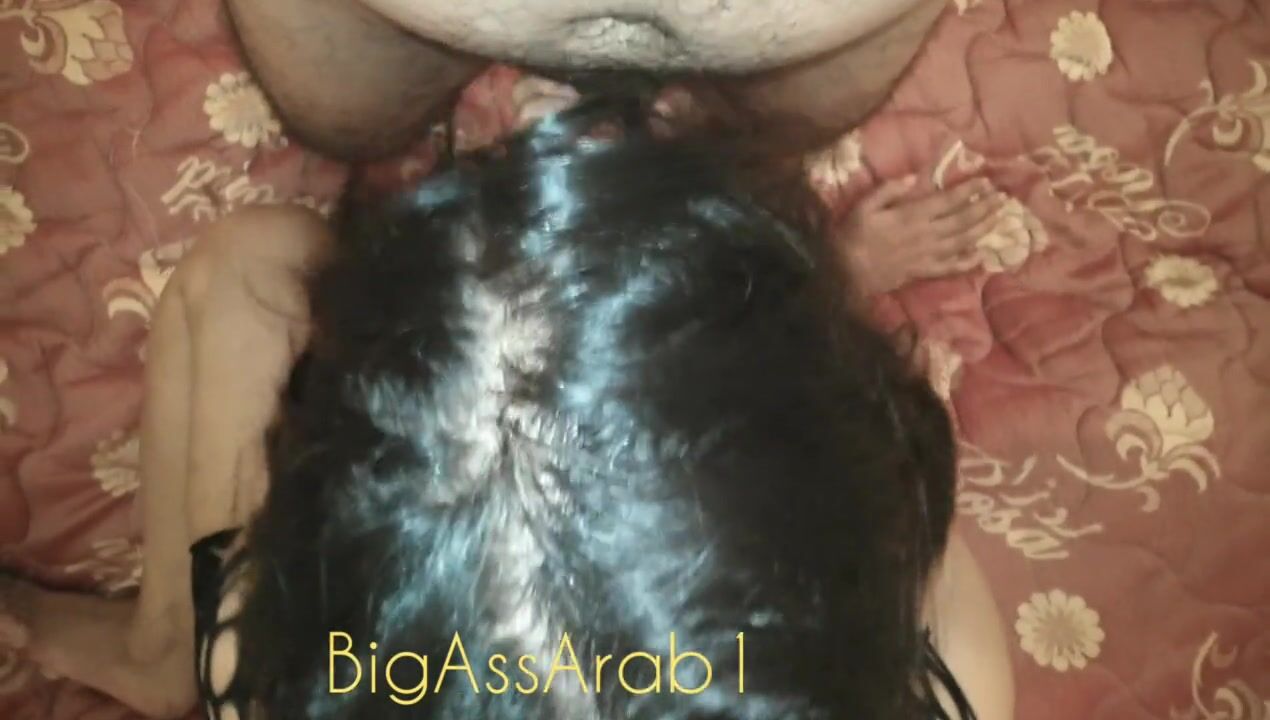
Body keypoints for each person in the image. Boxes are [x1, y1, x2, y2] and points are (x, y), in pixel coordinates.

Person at [1, 97, 1014, 719]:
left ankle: (156, 654)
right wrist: (819, 296)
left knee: (250, 268)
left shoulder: (261, 664)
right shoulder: (942, 675)